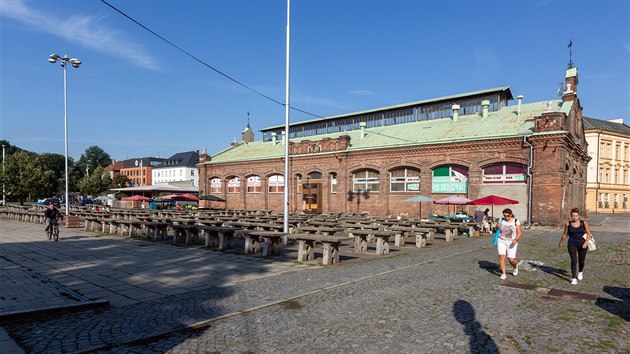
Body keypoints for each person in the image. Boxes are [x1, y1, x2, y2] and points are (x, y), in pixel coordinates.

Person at [558, 208, 592, 285]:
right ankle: (573, 278)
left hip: (582, 244)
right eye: (573, 216)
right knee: (574, 260)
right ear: (571, 216)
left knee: (581, 260)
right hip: (572, 243)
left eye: (576, 216)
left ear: (579, 216)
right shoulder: (568, 224)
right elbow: (564, 234)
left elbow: (589, 234)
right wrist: (561, 242)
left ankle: (580, 272)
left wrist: (586, 243)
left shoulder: (584, 223)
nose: (574, 217)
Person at [496, 208, 521, 280]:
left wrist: (516, 239)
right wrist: (497, 226)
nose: (506, 217)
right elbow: (496, 228)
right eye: (504, 216)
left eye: (508, 216)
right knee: (501, 257)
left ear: (511, 215)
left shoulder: (516, 221)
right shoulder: (501, 220)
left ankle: (515, 266)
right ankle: (504, 273)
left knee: (511, 260)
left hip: (511, 242)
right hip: (501, 240)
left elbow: (519, 232)